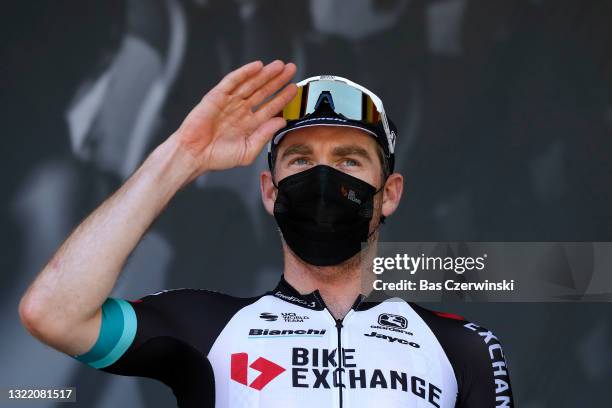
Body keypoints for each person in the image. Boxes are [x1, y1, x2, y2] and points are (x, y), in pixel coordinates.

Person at [19, 60, 513, 407]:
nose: (324, 179)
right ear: (270, 191)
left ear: (390, 193)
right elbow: (52, 312)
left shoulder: (460, 348)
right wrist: (184, 157)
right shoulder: (205, 329)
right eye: (301, 160)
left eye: (349, 159)